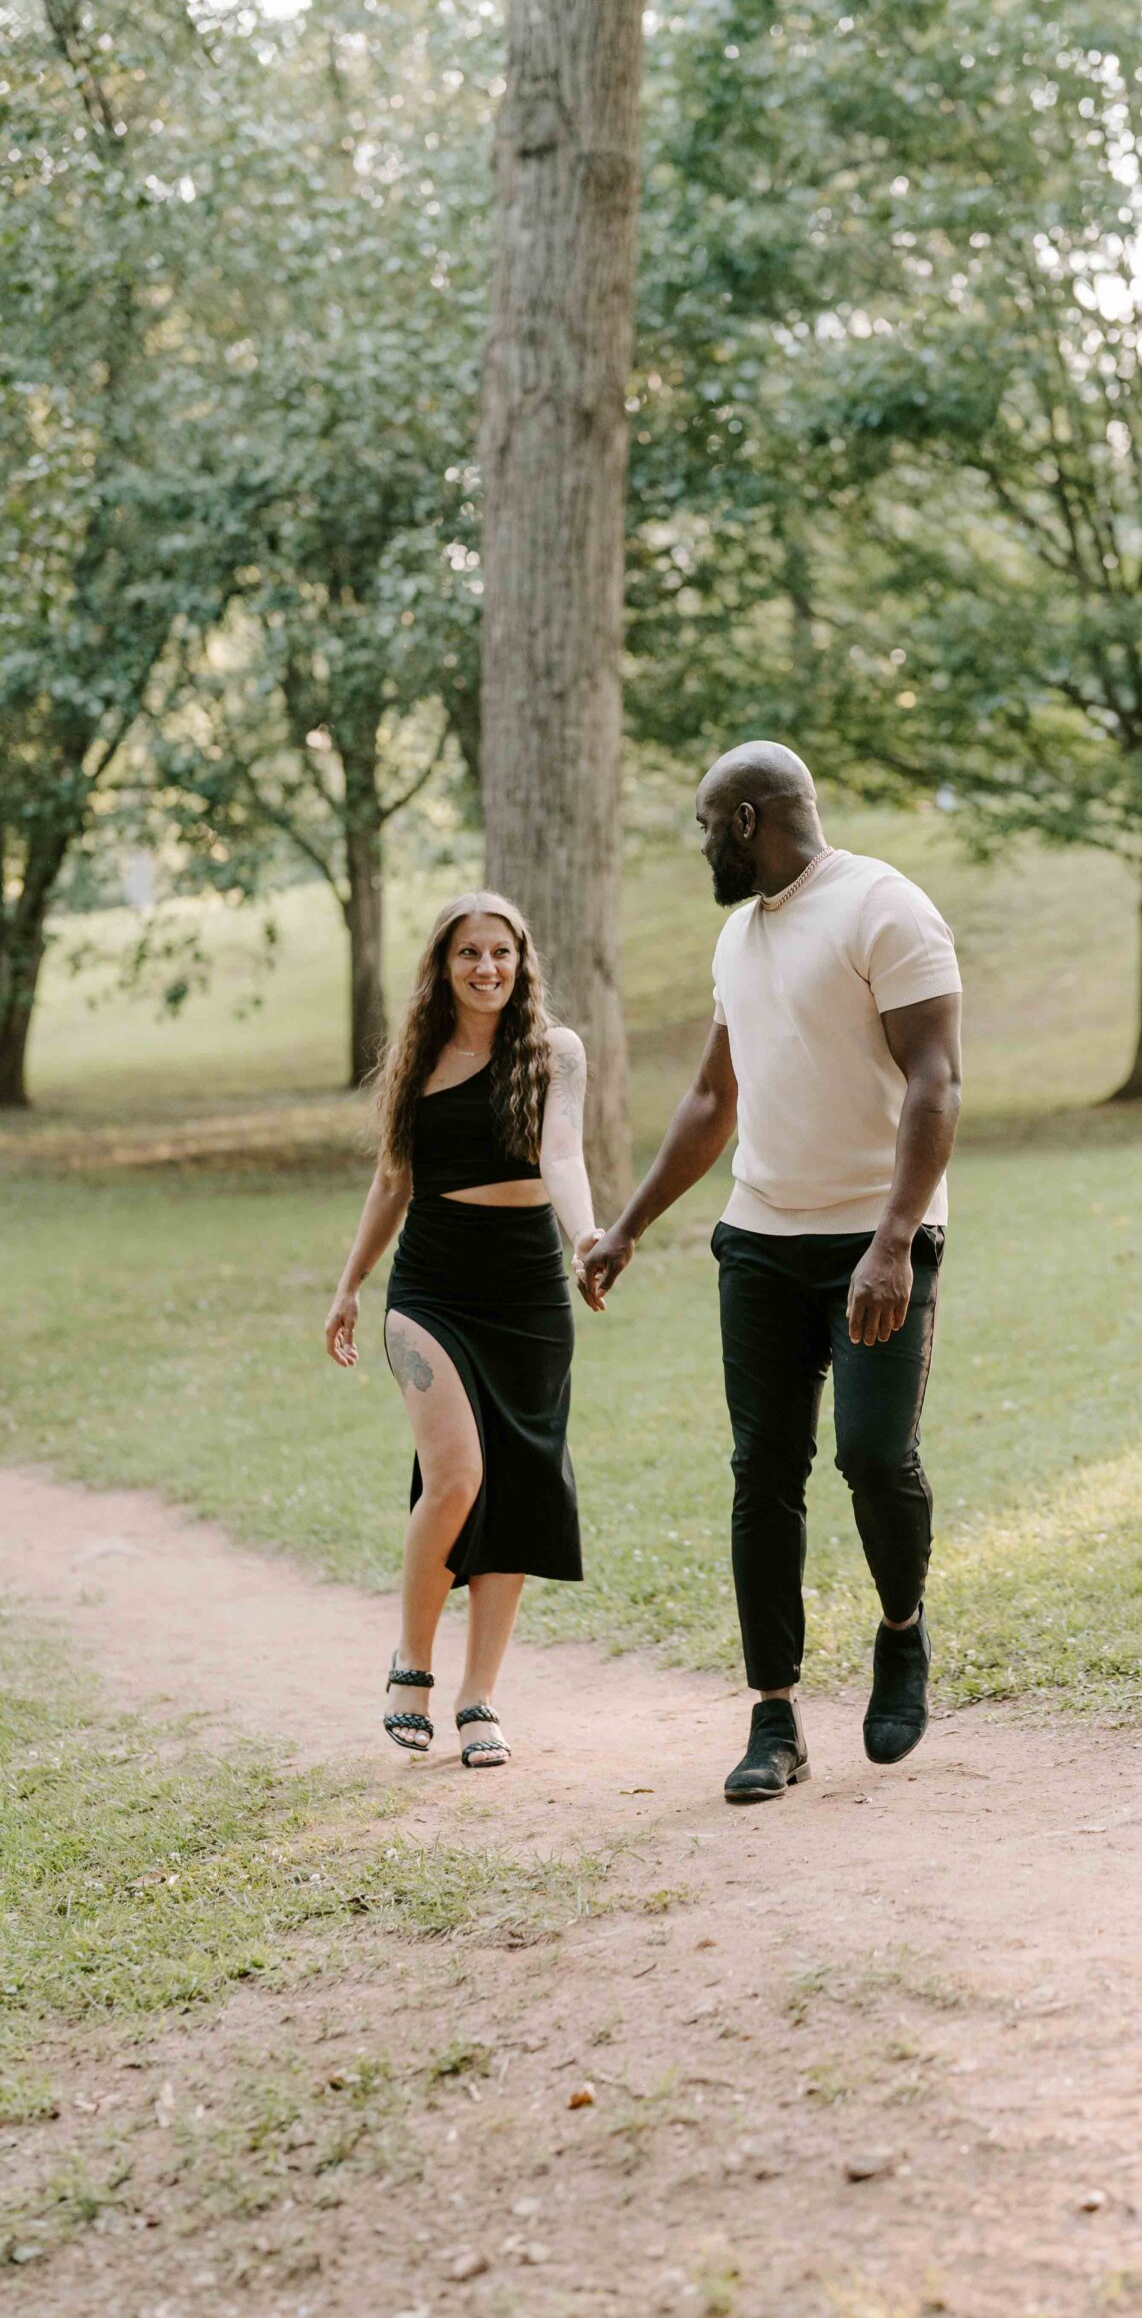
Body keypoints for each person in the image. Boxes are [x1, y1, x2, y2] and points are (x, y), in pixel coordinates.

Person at [582, 743, 963, 1804]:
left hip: (874, 1240)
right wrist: (626, 1226)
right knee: (764, 1473)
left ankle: (901, 1626)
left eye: (708, 825)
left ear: (746, 818)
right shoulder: (736, 936)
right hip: (759, 1240)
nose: (703, 845)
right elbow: (713, 1099)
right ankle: (775, 1716)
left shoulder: (884, 908)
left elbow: (938, 1081)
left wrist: (892, 1240)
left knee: (874, 1456)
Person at [324, 890, 603, 1769]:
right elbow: (391, 1181)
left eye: (502, 953)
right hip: (434, 1284)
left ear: (521, 964)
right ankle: (413, 1664)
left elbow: (561, 1154)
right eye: (469, 953)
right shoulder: (416, 1059)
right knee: (455, 1478)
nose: (487, 968)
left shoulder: (554, 1053)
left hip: (527, 1291)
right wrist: (349, 1286)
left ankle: (480, 1698)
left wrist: (587, 1237)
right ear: (442, 967)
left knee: (516, 1487)